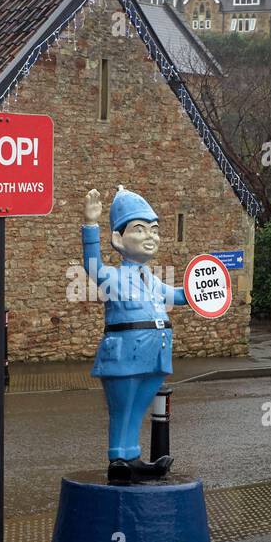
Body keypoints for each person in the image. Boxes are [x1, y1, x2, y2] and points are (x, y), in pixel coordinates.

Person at [83, 186, 187, 483]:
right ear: (118, 239)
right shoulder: (113, 277)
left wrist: (206, 290)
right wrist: (90, 225)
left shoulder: (152, 279)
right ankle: (118, 457)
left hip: (153, 356)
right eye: (140, 230)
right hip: (124, 355)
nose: (150, 236)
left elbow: (177, 295)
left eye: (154, 230)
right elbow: (92, 267)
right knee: (123, 407)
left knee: (139, 408)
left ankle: (132, 456)